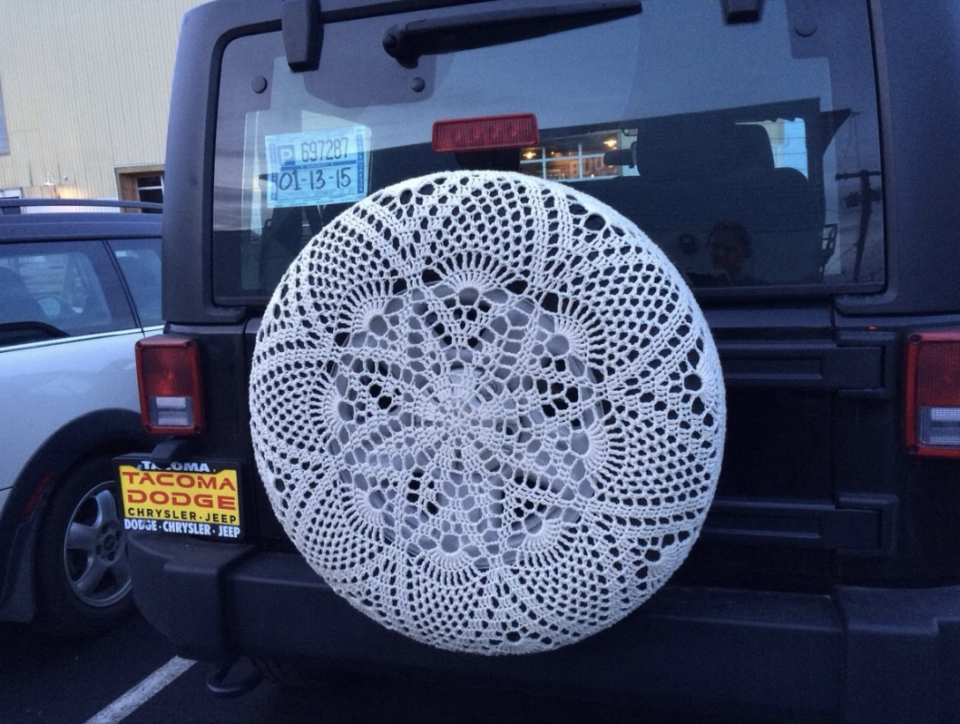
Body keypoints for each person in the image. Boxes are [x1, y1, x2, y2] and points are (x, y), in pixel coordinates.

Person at [694, 221, 764, 286]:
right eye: (715, 247)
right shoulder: (692, 284)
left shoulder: (761, 289)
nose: (721, 254)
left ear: (745, 253)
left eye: (729, 248)